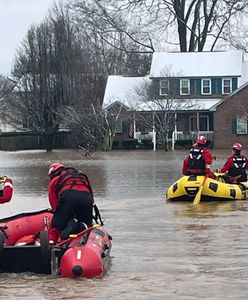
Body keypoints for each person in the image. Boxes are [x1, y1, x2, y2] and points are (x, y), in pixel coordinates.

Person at [47, 163, 103, 243]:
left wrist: (60, 216)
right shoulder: (79, 176)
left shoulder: (55, 180)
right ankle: (83, 234)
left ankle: (51, 243)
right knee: (87, 225)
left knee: (57, 225)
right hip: (86, 198)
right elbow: (90, 193)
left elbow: (53, 202)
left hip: (68, 196)